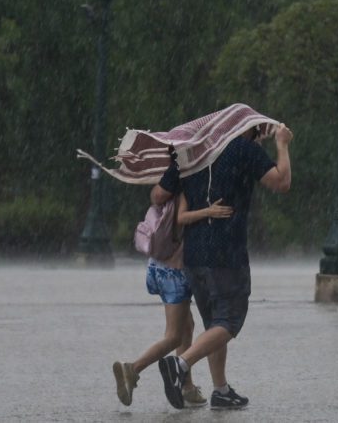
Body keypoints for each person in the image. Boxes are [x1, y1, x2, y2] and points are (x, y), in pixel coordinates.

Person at [156, 122, 293, 409]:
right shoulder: (244, 150)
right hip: (226, 253)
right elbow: (281, 182)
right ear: (247, 130)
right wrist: (281, 144)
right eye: (255, 132)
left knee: (212, 324)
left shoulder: (191, 152)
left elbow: (158, 195)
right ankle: (180, 365)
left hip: (194, 254)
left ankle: (221, 390)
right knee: (228, 321)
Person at [112, 179, 234, 408]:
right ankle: (132, 369)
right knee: (174, 336)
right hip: (175, 272)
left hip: (157, 265)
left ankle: (187, 387)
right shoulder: (187, 185)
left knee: (187, 325)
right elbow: (181, 218)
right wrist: (209, 211)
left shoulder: (166, 184)